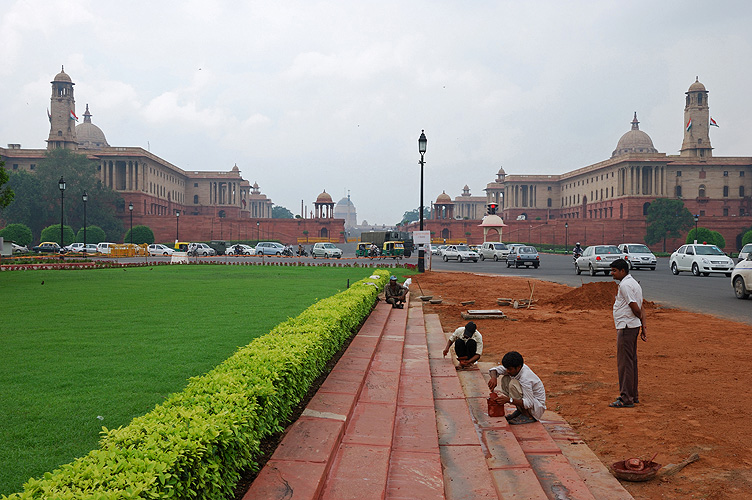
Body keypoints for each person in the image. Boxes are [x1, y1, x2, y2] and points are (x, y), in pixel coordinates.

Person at [609, 258, 646, 408]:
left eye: (614, 271)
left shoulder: (625, 285)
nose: (612, 273)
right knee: (631, 362)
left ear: (622, 271)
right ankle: (633, 395)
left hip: (626, 327)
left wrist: (639, 321)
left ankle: (626, 398)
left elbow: (636, 307)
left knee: (625, 363)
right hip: (632, 326)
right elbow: (641, 307)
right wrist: (643, 326)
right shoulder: (633, 283)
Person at [487, 351, 546, 425]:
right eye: (506, 369)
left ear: (518, 367)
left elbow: (529, 403)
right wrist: (493, 378)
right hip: (529, 402)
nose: (507, 371)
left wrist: (508, 400)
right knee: (506, 379)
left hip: (536, 408)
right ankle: (520, 411)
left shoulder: (525, 378)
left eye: (510, 369)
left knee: (513, 384)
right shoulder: (514, 367)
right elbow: (494, 370)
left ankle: (527, 415)